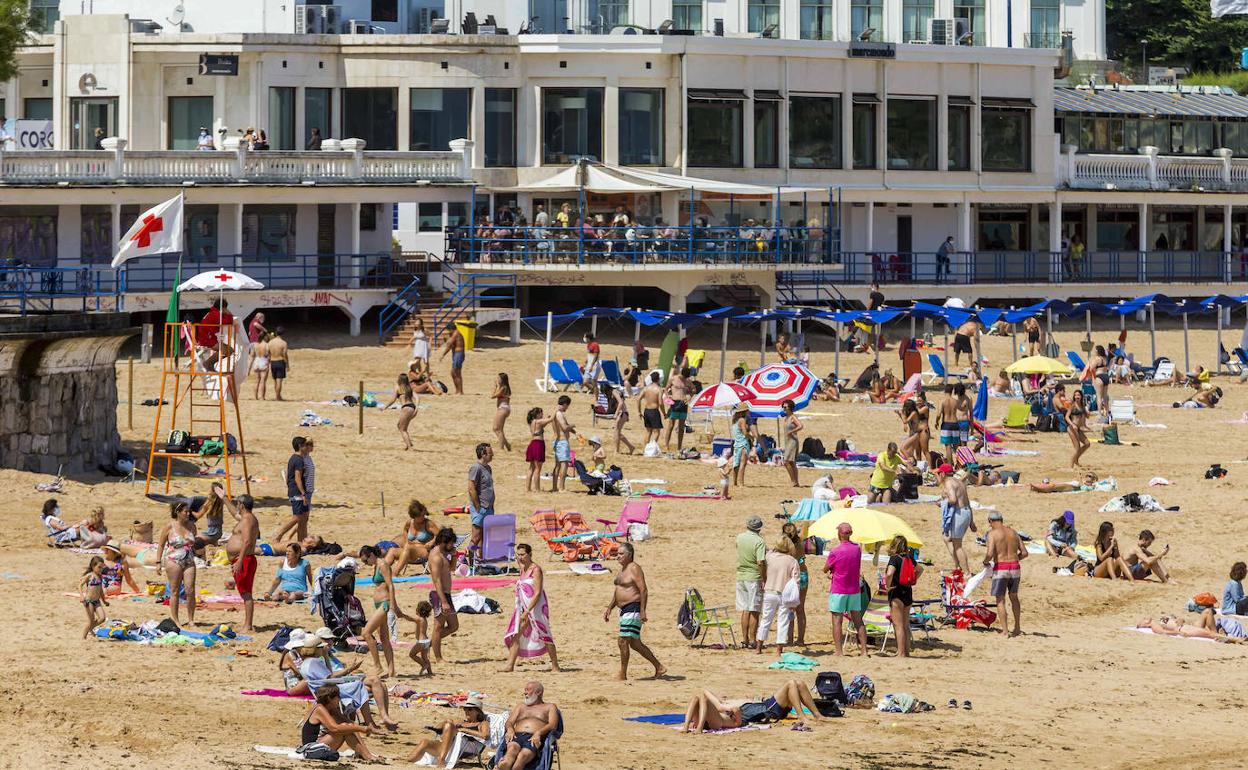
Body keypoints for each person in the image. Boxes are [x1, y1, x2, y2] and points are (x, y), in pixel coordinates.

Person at [296, 633, 398, 731]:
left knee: (378, 683)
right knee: (373, 683)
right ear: (316, 649)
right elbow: (330, 678)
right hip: (331, 690)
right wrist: (350, 670)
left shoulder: (308, 662)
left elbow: (328, 677)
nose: (323, 649)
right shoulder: (314, 662)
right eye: (321, 648)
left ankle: (380, 719)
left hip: (328, 687)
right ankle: (375, 720)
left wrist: (327, 656)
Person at [605, 542, 665, 680]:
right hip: (624, 610)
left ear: (629, 555)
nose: (617, 556)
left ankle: (622, 674)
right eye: (617, 554)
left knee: (622, 640)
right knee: (635, 643)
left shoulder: (635, 568)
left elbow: (643, 589)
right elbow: (618, 591)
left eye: (621, 554)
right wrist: (610, 607)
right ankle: (659, 667)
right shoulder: (623, 570)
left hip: (633, 608)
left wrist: (643, 610)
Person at [681, 680, 826, 733]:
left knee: (798, 683)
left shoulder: (723, 705)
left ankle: (817, 715)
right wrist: (725, 706)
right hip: (765, 709)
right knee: (791, 683)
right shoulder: (723, 708)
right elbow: (706, 697)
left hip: (763, 705)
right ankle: (802, 715)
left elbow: (704, 692)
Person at [358, 544, 413, 678]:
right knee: (384, 639)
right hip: (379, 604)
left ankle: (377, 665)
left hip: (385, 603)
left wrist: (393, 605)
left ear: (371, 554)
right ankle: (392, 670)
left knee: (366, 633)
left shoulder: (382, 565)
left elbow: (390, 585)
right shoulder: (377, 565)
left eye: (366, 560)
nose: (366, 564)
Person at [504, 543, 559, 672]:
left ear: (530, 554)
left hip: (536, 607)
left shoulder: (536, 570)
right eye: (519, 555)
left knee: (545, 634)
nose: (520, 557)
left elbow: (538, 592)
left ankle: (555, 666)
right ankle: (510, 665)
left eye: (523, 554)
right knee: (516, 634)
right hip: (524, 607)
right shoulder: (522, 568)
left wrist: (528, 611)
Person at [301, 685, 384, 762]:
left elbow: (349, 723)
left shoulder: (331, 709)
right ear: (330, 698)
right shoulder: (319, 708)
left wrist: (368, 728)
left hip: (321, 744)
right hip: (311, 749)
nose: (340, 699)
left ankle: (366, 754)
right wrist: (363, 729)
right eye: (338, 697)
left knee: (349, 727)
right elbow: (335, 728)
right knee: (345, 728)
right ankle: (367, 756)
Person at [405, 694, 490, 766]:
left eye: (470, 709)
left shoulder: (482, 723)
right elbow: (438, 728)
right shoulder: (461, 722)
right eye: (465, 709)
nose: (466, 711)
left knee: (450, 725)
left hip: (468, 746)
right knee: (425, 742)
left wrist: (463, 730)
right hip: (449, 745)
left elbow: (485, 735)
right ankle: (408, 760)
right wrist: (445, 721)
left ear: (478, 712)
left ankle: (442, 760)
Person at [825, 522, 868, 656]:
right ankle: (864, 651)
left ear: (839, 534)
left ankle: (839, 652)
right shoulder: (857, 549)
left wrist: (832, 570)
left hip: (839, 588)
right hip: (854, 588)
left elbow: (825, 568)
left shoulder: (835, 551)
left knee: (837, 621)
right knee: (858, 620)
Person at [220, 490, 260, 632]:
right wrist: (224, 498)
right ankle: (247, 624)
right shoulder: (245, 518)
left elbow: (247, 540)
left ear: (241, 505)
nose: (236, 506)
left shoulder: (248, 519)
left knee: (246, 594)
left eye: (237, 504)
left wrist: (240, 561)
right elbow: (234, 513)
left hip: (244, 560)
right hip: (241, 559)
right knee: (244, 592)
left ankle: (248, 625)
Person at [496, 682, 559, 770]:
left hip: (534, 738)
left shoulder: (549, 707)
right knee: (511, 751)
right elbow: (509, 722)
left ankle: (499, 767)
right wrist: (510, 729)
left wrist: (538, 733)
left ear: (538, 692)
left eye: (528, 690)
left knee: (522, 757)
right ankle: (502, 765)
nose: (525, 692)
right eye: (525, 690)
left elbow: (553, 725)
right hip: (516, 735)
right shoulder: (521, 706)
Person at [983, 511, 1025, 638]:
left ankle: (1005, 631)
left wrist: (985, 562)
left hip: (1001, 568)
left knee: (1000, 600)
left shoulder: (992, 534)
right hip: (1015, 567)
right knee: (1014, 597)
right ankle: (1017, 628)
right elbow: (1024, 552)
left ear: (990, 521)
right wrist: (1014, 559)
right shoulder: (1013, 532)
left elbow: (990, 553)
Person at [155, 501, 198, 627]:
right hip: (173, 560)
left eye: (188, 511)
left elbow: (193, 543)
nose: (188, 513)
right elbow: (161, 544)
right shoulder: (170, 526)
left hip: (189, 559)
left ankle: (191, 619)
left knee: (190, 589)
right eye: (185, 511)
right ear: (178, 513)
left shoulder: (192, 526)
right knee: (175, 590)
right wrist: (158, 562)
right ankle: (176, 620)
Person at [756, 536, 800, 656]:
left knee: (766, 619)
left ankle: (759, 646)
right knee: (783, 621)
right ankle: (778, 649)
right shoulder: (792, 561)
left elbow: (767, 554)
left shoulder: (769, 557)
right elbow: (796, 580)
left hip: (770, 590)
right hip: (784, 594)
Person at [883, 534, 922, 657]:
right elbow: (920, 569)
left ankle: (900, 653)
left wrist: (887, 586)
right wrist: (912, 580)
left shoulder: (894, 558)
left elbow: (889, 574)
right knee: (905, 625)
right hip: (908, 591)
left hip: (897, 592)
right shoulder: (909, 557)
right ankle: (906, 652)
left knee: (898, 625)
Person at [429, 528, 460, 664]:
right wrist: (444, 602)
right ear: (443, 542)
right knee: (438, 627)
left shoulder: (444, 554)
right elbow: (437, 581)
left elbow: (451, 569)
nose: (452, 546)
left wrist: (454, 556)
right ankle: (438, 657)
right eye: (451, 543)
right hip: (439, 595)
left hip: (446, 594)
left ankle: (428, 644)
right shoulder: (436, 557)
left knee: (454, 626)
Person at [275, 437, 315, 543]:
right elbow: (297, 477)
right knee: (297, 517)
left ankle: (301, 541)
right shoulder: (298, 460)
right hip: (298, 492)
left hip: (300, 491)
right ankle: (278, 535)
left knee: (302, 519)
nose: (307, 447)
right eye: (305, 445)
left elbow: (290, 475)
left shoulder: (297, 458)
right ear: (300, 446)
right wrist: (303, 493)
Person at [735, 515, 766, 648]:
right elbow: (760, 561)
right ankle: (753, 640)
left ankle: (744, 639)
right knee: (754, 610)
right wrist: (764, 577)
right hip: (753, 577)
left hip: (741, 576)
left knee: (745, 609)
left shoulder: (740, 537)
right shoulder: (759, 541)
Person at [937, 463, 975, 573]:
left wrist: (943, 501)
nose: (939, 476)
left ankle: (966, 572)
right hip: (966, 512)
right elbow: (968, 502)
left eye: (939, 473)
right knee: (946, 538)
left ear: (943, 473)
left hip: (959, 514)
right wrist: (971, 521)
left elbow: (953, 500)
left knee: (958, 545)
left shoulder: (948, 483)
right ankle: (958, 566)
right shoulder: (960, 482)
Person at [391, 499, 437, 576]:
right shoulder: (409, 523)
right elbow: (405, 530)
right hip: (408, 551)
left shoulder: (428, 524)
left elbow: (440, 535)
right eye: (420, 516)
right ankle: (380, 573)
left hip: (423, 551)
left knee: (408, 547)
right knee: (392, 551)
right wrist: (406, 540)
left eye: (423, 515)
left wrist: (432, 542)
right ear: (414, 516)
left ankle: (394, 574)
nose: (423, 517)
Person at [467, 442, 496, 561]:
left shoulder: (488, 468)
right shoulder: (476, 468)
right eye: (490, 453)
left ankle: (481, 559)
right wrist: (477, 506)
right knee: (476, 535)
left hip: (488, 507)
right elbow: (471, 488)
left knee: (485, 536)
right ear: (483, 454)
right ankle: (469, 560)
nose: (492, 455)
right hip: (480, 507)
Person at [383, 373, 418, 450]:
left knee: (402, 429)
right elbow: (417, 397)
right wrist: (417, 407)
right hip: (412, 407)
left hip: (406, 408)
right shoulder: (409, 387)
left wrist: (385, 407)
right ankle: (408, 443)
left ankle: (410, 447)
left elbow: (393, 400)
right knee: (400, 426)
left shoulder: (398, 387)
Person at [524, 407, 555, 493]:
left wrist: (547, 418)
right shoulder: (538, 421)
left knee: (531, 468)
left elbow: (543, 425)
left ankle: (527, 488)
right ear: (537, 414)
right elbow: (551, 419)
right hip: (538, 444)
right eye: (541, 413)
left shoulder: (532, 422)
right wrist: (556, 410)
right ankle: (537, 488)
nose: (542, 415)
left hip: (532, 444)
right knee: (538, 469)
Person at [550, 396, 576, 492]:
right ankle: (561, 487)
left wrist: (575, 432)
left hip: (558, 441)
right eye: (567, 406)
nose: (567, 408)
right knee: (564, 464)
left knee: (557, 465)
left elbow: (565, 426)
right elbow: (565, 427)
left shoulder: (555, 412)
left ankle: (555, 487)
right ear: (565, 404)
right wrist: (572, 425)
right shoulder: (559, 414)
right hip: (562, 441)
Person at [663, 366, 692, 452]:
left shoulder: (687, 381)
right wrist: (668, 397)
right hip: (674, 403)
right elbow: (666, 389)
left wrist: (690, 397)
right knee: (671, 425)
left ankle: (679, 446)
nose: (684, 379)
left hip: (683, 403)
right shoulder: (673, 379)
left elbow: (693, 389)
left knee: (681, 427)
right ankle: (666, 446)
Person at [80, 556, 108, 638]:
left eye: (102, 568)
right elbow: (79, 585)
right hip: (89, 601)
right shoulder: (89, 576)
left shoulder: (100, 577)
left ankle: (90, 629)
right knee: (90, 621)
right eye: (99, 567)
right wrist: (81, 596)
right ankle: (83, 638)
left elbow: (101, 591)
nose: (101, 569)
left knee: (102, 618)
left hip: (97, 601)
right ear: (93, 566)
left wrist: (104, 601)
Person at [780, 398, 803, 487]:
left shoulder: (793, 417)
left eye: (785, 406)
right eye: (783, 407)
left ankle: (793, 480)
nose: (784, 408)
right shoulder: (786, 418)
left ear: (790, 407)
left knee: (786, 461)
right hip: (787, 441)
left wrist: (792, 431)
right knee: (792, 462)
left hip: (792, 441)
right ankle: (795, 481)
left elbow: (800, 426)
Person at [638, 372, 665, 448]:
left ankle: (645, 449)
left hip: (646, 410)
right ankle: (652, 448)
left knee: (648, 431)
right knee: (656, 432)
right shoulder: (659, 389)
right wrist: (664, 413)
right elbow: (660, 403)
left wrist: (639, 411)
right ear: (658, 379)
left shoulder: (646, 388)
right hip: (654, 411)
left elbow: (638, 399)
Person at [1066, 390, 1091, 468]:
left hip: (1078, 429)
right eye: (1075, 395)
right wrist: (1072, 424)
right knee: (1077, 448)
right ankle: (1071, 465)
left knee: (1087, 443)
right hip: (1072, 428)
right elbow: (1066, 417)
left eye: (1078, 395)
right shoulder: (1072, 405)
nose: (1077, 397)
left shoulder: (1082, 406)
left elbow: (1087, 416)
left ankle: (1076, 459)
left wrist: (1087, 412)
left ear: (1081, 396)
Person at [439, 325, 467, 395]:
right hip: (457, 355)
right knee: (453, 373)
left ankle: (460, 391)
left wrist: (443, 355)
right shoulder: (454, 334)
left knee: (456, 372)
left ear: (452, 329)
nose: (448, 332)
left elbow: (449, 345)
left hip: (458, 354)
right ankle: (457, 390)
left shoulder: (456, 334)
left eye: (449, 330)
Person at [408, 601, 434, 676]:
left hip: (421, 642)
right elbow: (419, 631)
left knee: (412, 654)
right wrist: (409, 633)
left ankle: (423, 665)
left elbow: (409, 618)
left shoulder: (419, 619)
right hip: (426, 641)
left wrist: (402, 615)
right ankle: (430, 672)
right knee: (425, 657)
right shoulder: (424, 620)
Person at [730, 403, 752, 488]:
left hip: (736, 444)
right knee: (743, 464)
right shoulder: (742, 420)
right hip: (743, 443)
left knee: (736, 464)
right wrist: (751, 437)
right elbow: (745, 433)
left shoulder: (734, 420)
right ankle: (741, 483)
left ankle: (735, 482)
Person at [268, 326, 290, 400]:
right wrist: (287, 364)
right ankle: (278, 396)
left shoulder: (270, 342)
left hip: (272, 361)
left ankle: (277, 395)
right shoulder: (283, 343)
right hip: (280, 361)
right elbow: (284, 354)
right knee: (279, 380)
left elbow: (268, 353)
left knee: (275, 381)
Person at [493, 373, 513, 451]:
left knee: (498, 429)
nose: (497, 380)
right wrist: (496, 387)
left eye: (499, 378)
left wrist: (496, 386)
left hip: (503, 408)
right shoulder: (504, 388)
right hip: (503, 408)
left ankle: (501, 448)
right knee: (496, 428)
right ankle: (507, 445)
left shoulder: (503, 388)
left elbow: (493, 396)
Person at [251, 332, 271, 399]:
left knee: (256, 380)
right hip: (263, 360)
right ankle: (262, 397)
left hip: (256, 361)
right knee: (263, 381)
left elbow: (252, 355)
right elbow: (269, 355)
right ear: (265, 337)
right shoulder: (266, 345)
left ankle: (255, 396)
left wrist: (249, 368)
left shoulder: (255, 345)